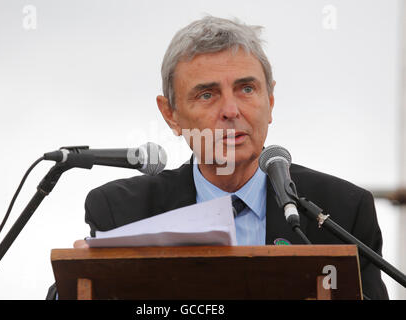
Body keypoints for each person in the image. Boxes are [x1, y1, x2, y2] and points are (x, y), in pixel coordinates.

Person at [53, 16, 388, 300]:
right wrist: (73, 282)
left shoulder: (342, 211)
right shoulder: (123, 211)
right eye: (207, 94)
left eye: (246, 89)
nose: (231, 111)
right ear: (171, 114)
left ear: (270, 99)